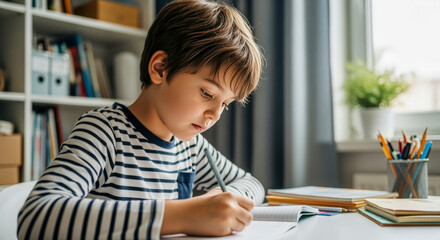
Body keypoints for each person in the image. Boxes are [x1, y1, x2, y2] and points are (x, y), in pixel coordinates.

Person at [18, 0, 264, 239]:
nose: (215, 114)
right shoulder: (105, 132)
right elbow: (36, 216)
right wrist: (184, 215)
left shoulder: (191, 146)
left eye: (225, 104)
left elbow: (251, 183)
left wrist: (228, 200)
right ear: (160, 68)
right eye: (207, 93)